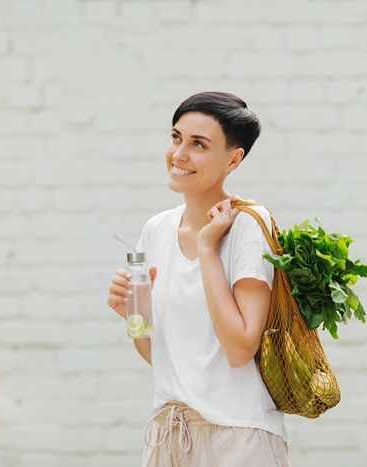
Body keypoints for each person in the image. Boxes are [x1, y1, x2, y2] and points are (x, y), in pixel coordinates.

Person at [106, 91, 290, 467]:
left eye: (199, 144)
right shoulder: (156, 231)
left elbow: (240, 348)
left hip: (237, 439)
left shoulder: (249, 226)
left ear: (233, 159)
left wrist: (208, 251)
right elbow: (161, 357)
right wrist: (133, 317)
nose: (179, 154)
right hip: (169, 436)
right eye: (176, 138)